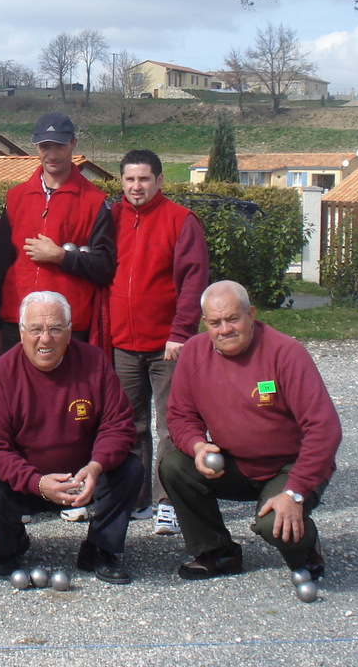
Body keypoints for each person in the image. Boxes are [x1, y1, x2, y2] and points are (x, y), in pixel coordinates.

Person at [161, 281, 341, 584]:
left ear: (251, 314)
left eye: (233, 319)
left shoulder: (286, 352)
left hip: (288, 467)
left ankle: (307, 549)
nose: (224, 330)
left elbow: (325, 428)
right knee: (174, 465)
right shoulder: (193, 352)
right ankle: (217, 552)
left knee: (273, 524)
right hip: (234, 464)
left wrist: (295, 491)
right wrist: (197, 446)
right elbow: (180, 416)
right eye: (215, 322)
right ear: (205, 323)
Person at [0, 291, 142, 584]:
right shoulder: (0, 374)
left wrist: (95, 467)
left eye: (55, 328)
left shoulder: (94, 362)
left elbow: (118, 425)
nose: (45, 338)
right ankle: (10, 546)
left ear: (69, 331)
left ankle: (100, 549)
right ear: (21, 332)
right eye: (36, 329)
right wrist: (36, 482)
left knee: (130, 469)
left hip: (83, 478)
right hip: (27, 482)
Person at [106, 148, 208, 535]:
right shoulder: (111, 218)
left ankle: (169, 501)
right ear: (121, 182)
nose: (136, 187)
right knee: (130, 426)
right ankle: (136, 499)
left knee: (172, 426)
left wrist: (181, 334)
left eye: (144, 179)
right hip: (122, 343)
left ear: (160, 181)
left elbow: (193, 282)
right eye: (130, 179)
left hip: (168, 345)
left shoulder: (181, 220)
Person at [0, 111, 115, 356]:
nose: (52, 154)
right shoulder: (16, 198)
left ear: (73, 143)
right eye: (45, 146)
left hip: (67, 324)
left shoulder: (94, 201)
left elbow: (105, 266)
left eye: (60, 146)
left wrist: (62, 257)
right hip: (18, 321)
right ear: (36, 147)